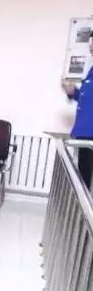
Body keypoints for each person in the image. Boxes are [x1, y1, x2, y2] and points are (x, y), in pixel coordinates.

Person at [62, 33, 93, 188]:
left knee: (85, 176)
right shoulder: (92, 71)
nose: (90, 46)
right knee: (83, 174)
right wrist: (73, 92)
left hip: (90, 133)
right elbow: (87, 99)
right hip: (86, 133)